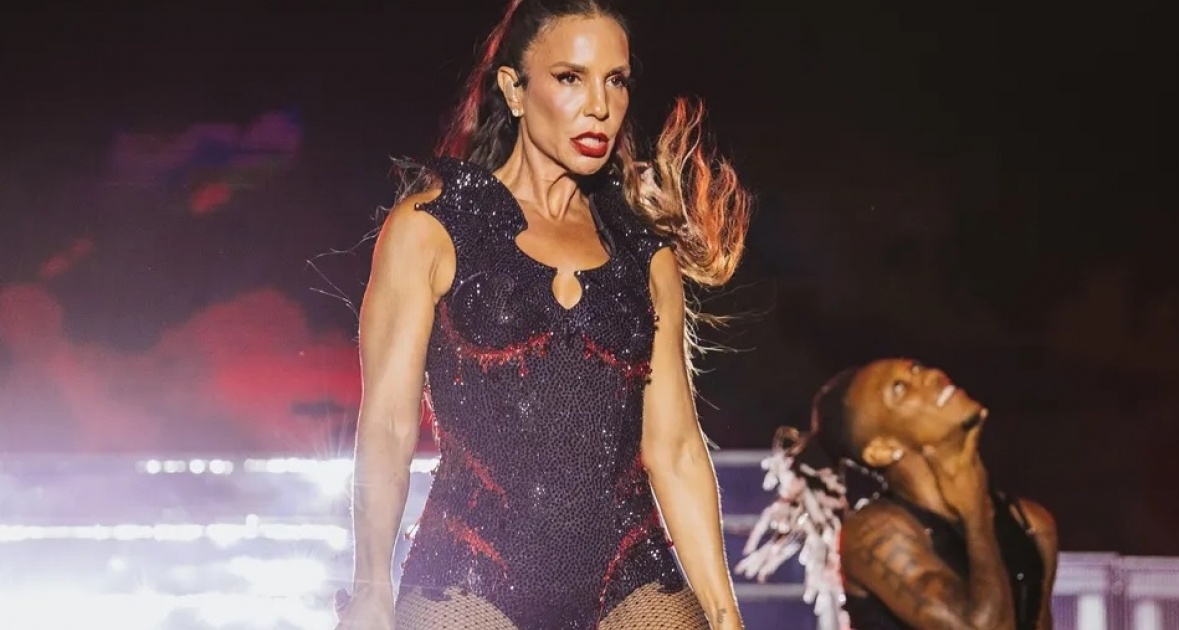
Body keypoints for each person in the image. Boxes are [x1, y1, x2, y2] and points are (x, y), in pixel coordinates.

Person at [335, 1, 751, 628]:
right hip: (471, 573)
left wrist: (724, 614)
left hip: (627, 573)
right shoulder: (432, 229)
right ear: (514, 89)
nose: (600, 106)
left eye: (616, 80)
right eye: (570, 77)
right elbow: (390, 425)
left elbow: (675, 448)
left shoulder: (644, 254)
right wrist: (371, 587)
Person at [738, 359, 1059, 630]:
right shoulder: (872, 535)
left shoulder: (1031, 523)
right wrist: (975, 510)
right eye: (901, 389)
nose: (932, 376)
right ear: (882, 449)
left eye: (917, 369)